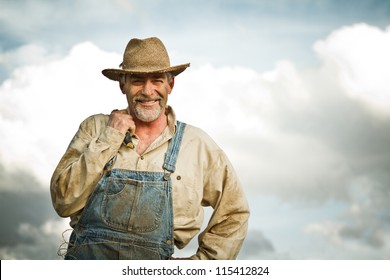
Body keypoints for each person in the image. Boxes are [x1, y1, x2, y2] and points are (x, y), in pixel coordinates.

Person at [50, 37, 250, 260]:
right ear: (122, 85)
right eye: (137, 81)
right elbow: (63, 201)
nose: (147, 91)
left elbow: (234, 212)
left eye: (156, 80)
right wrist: (110, 137)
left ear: (170, 85)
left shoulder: (197, 145)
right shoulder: (95, 128)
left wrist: (202, 266)